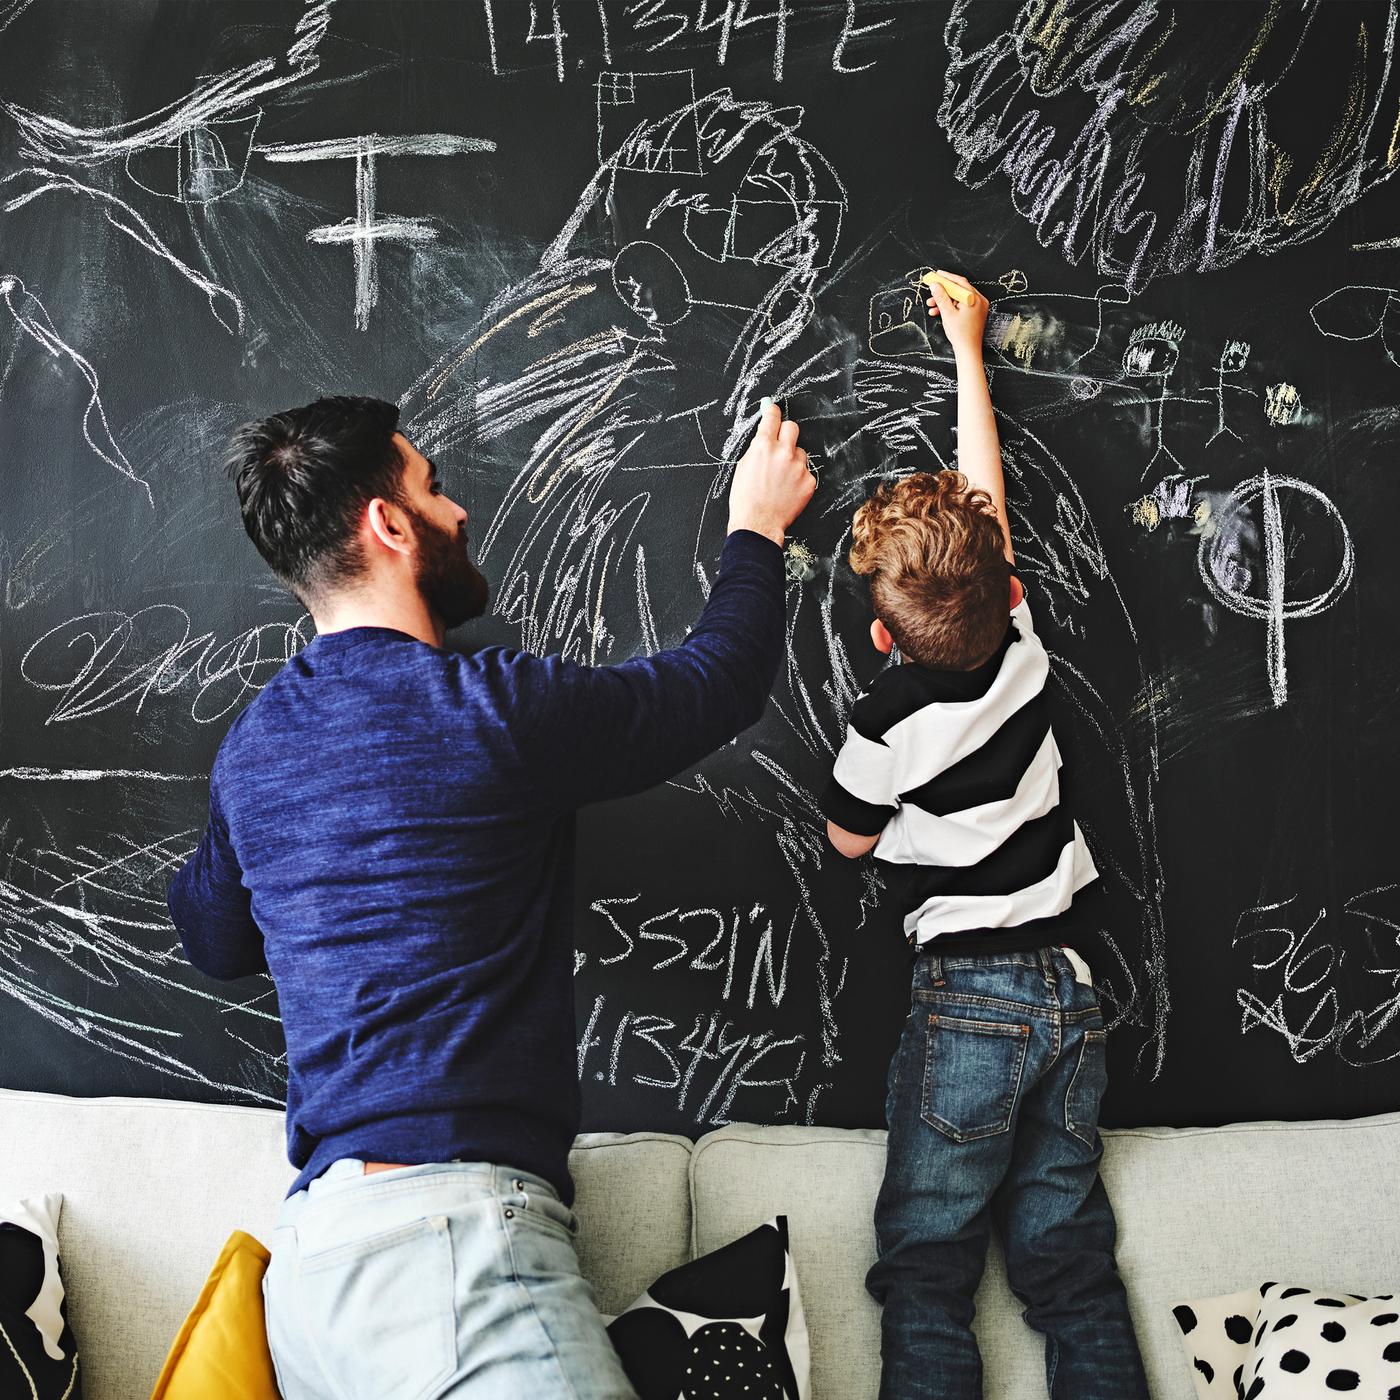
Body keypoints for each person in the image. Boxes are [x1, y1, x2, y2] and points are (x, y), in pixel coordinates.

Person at [166, 393, 814, 1399]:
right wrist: (756, 525)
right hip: (451, 1251)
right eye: (431, 488)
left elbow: (211, 937)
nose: (458, 509)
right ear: (386, 523)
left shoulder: (251, 753)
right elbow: (714, 682)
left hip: (312, 1273)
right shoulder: (490, 711)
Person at [821, 272, 1149, 1400]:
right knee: (1068, 1269)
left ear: (878, 633)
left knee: (925, 1269)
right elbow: (984, 501)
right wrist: (969, 348)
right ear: (1004, 587)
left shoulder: (881, 720)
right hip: (1069, 981)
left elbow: (848, 841)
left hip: (964, 992)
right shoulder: (1020, 651)